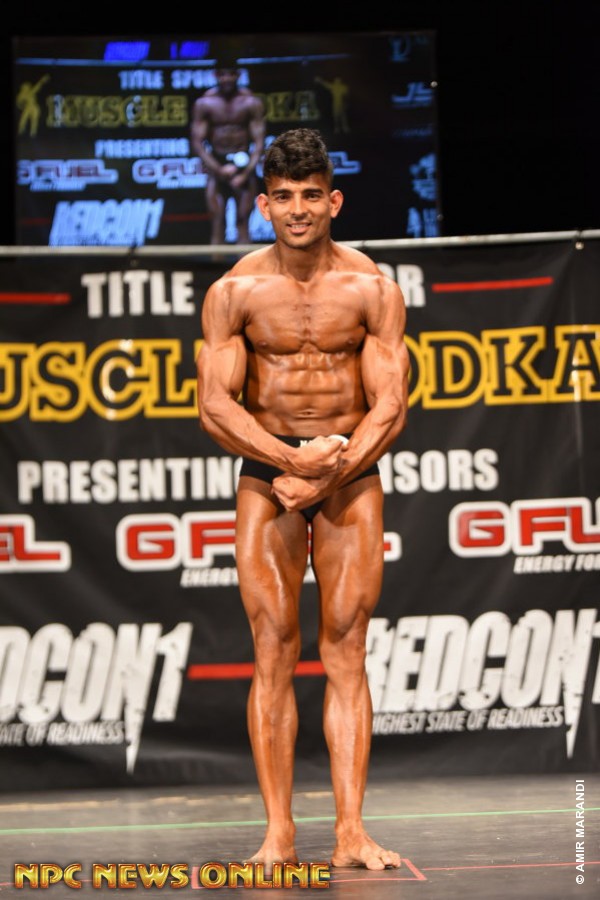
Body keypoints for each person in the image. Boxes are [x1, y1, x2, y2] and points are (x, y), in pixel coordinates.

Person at [196, 128, 409, 870]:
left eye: (311, 195)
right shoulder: (235, 292)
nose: (298, 210)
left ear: (334, 201)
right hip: (270, 474)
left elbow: (391, 404)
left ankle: (351, 832)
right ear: (262, 205)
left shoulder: (372, 288)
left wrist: (328, 471)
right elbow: (213, 405)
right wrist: (290, 461)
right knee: (273, 648)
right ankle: (279, 835)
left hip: (349, 474)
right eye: (283, 197)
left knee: (347, 647)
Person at [191, 64, 266, 245]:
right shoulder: (204, 103)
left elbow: (259, 142)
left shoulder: (251, 102)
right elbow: (197, 142)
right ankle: (215, 265)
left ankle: (246, 265)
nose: (226, 79)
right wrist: (218, 170)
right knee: (217, 222)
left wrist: (245, 173)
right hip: (216, 164)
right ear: (215, 75)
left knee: (243, 222)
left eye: (231, 74)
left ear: (238, 75)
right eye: (222, 75)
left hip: (243, 164)